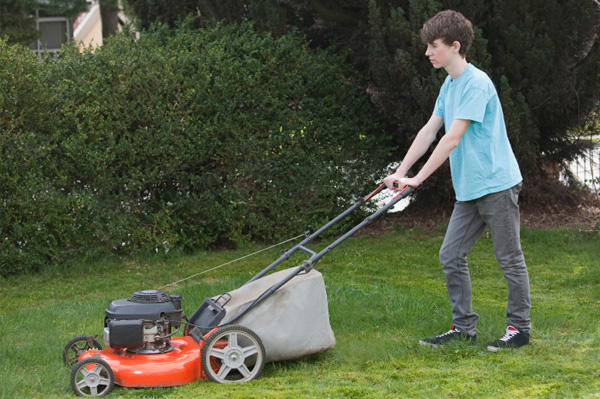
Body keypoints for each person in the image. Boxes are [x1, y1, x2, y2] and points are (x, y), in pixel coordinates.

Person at [384, 10, 531, 351]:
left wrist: (418, 179)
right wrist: (401, 172)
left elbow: (451, 138)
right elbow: (430, 130)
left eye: (433, 46)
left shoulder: (476, 84)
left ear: (454, 45)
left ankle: (519, 330)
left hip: (496, 184)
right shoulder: (449, 84)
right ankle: (464, 328)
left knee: (509, 258)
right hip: (470, 189)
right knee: (451, 255)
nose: (427, 53)